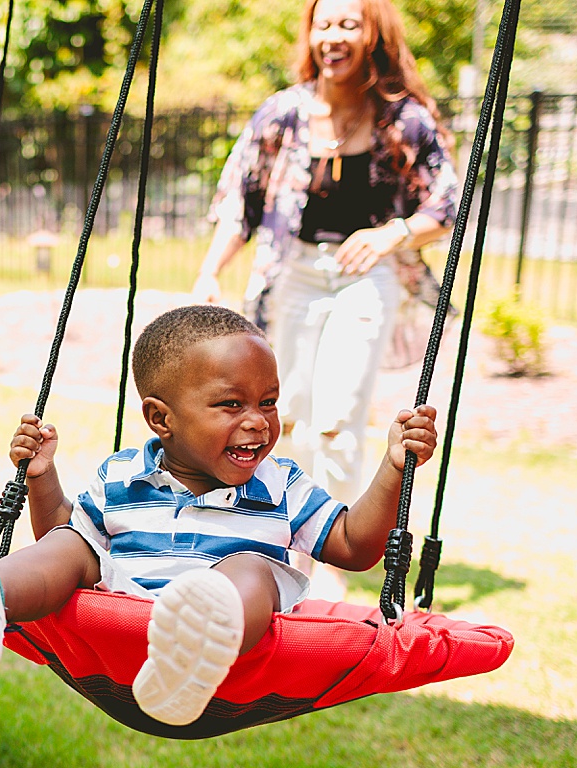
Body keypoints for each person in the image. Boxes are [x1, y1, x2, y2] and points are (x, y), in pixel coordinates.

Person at [0, 305, 437, 727]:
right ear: (161, 419)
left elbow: (353, 546)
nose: (258, 422)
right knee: (75, 544)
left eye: (268, 401)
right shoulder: (121, 475)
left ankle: (194, 650)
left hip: (226, 650)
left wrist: (392, 467)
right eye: (231, 404)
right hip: (126, 621)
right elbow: (62, 543)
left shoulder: (281, 484)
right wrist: (43, 477)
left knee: (250, 568)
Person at [189, 0, 458, 561]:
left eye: (349, 25)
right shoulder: (282, 115)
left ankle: (327, 551)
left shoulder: (402, 118)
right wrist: (211, 272)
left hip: (367, 275)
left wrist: (393, 234)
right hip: (293, 273)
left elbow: (445, 204)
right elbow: (242, 203)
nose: (333, 36)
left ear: (372, 37)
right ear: (311, 34)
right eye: (324, 24)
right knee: (279, 415)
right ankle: (264, 538)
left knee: (337, 417)